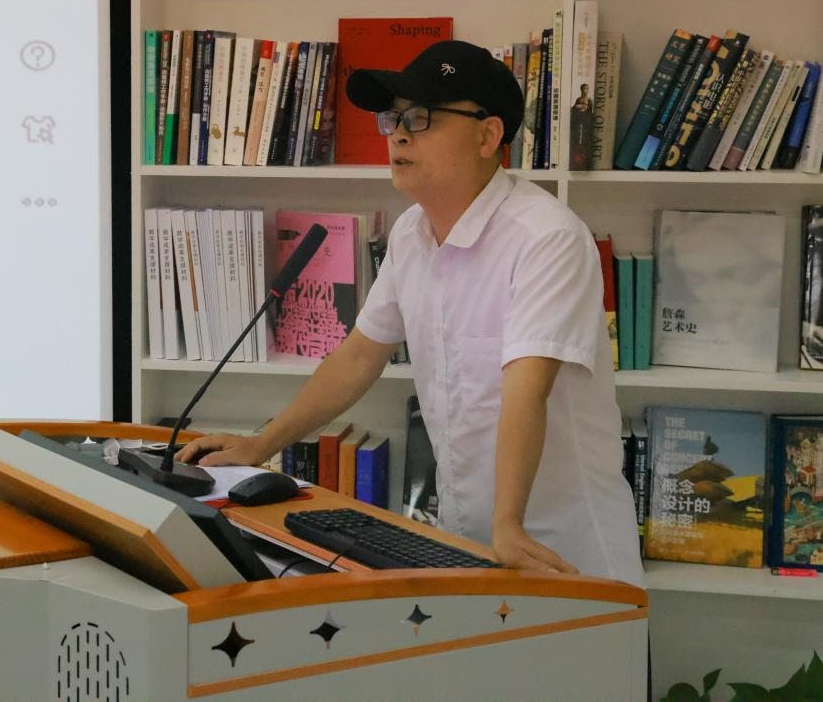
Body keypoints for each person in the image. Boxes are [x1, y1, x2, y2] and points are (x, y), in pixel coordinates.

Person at [177, 40, 642, 585]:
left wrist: (508, 524)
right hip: (468, 538)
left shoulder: (546, 238)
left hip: (560, 548)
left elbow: (527, 388)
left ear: (488, 135)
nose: (398, 134)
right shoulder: (411, 233)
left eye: (420, 118)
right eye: (393, 118)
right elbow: (359, 356)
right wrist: (259, 445)